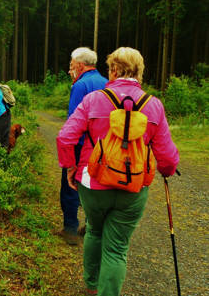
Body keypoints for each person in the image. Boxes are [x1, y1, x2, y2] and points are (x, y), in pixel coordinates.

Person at [56, 47, 179, 295]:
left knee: (94, 230)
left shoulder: (93, 100)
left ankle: (91, 285)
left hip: (92, 183)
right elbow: (167, 156)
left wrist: (71, 166)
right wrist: (166, 170)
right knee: (116, 248)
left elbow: (64, 137)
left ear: (112, 70)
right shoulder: (154, 106)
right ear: (140, 72)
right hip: (132, 187)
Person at [59, 47, 108, 245]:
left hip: (81, 145)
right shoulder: (107, 82)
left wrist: (71, 153)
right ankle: (90, 225)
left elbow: (74, 120)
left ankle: (70, 229)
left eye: (71, 65)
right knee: (94, 185)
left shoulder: (80, 85)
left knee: (70, 186)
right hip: (103, 146)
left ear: (80, 65)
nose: (70, 69)